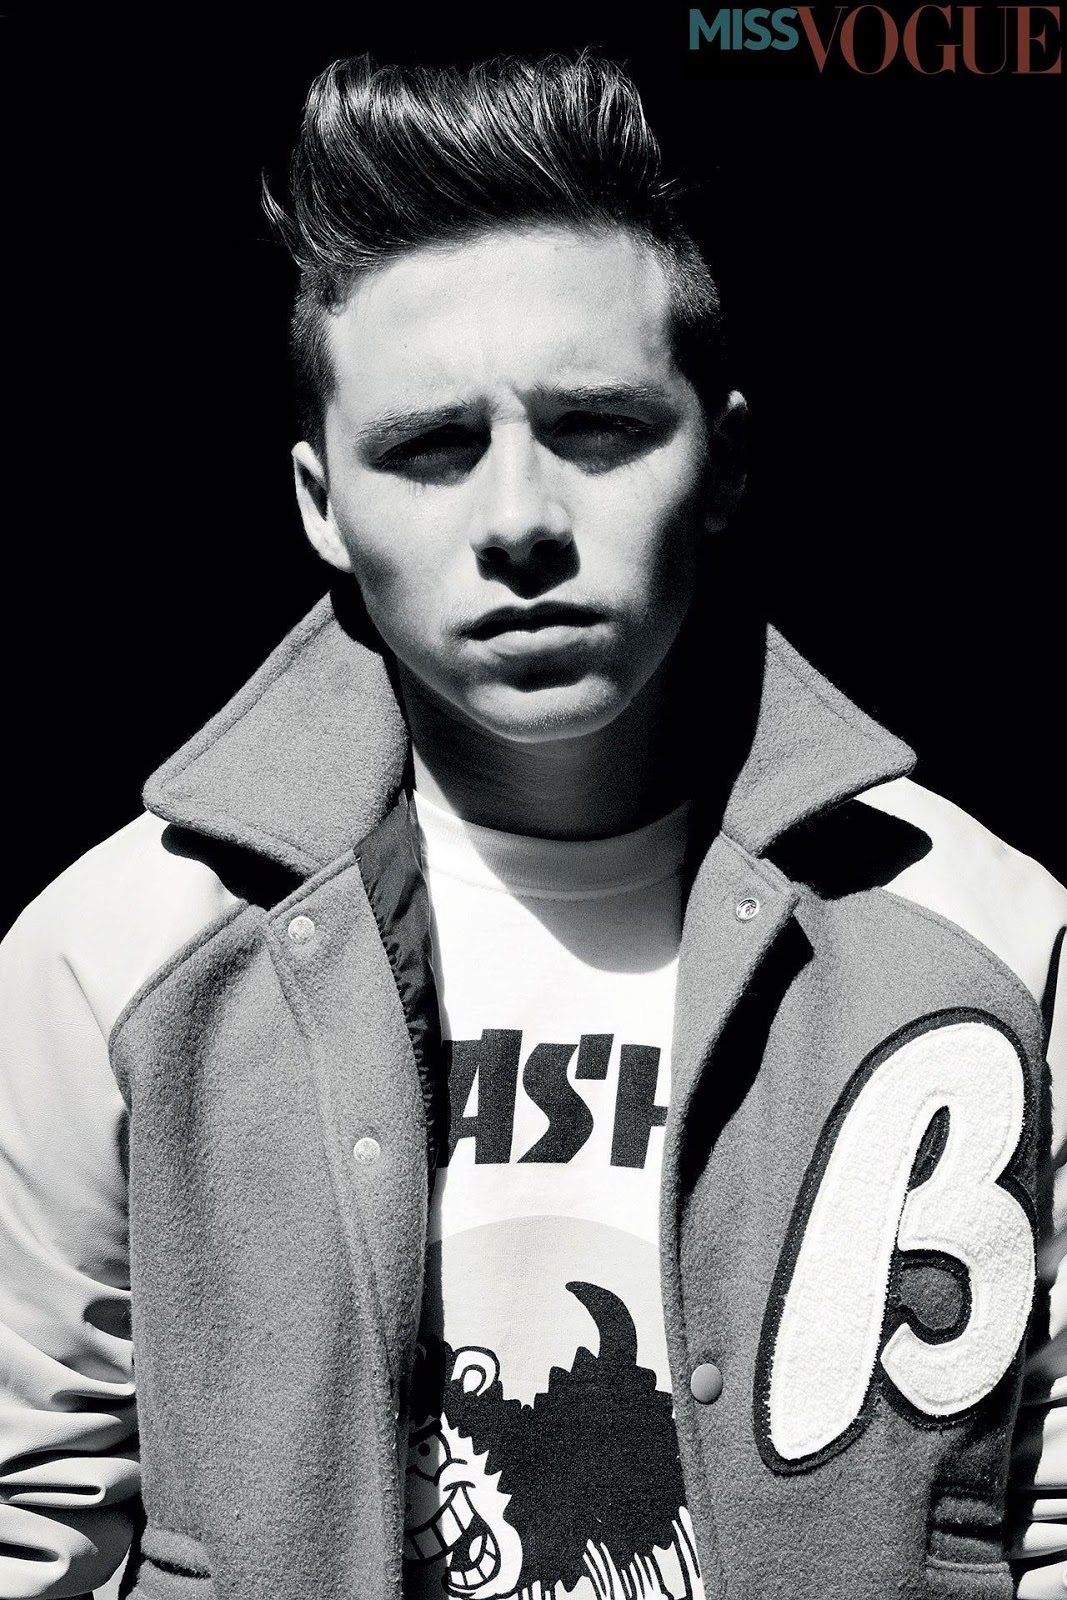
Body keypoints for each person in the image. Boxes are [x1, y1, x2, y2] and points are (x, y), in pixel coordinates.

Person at [0, 50, 1064, 1600]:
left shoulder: (987, 939)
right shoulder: (115, 963)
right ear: (319, 502)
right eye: (433, 447)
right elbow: (34, 1521)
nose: (519, 523)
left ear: (726, 459)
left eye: (598, 429)